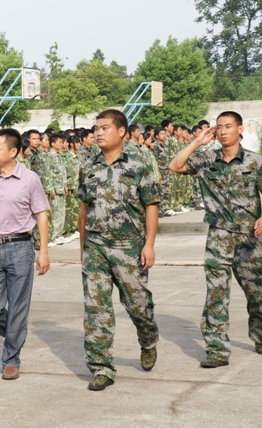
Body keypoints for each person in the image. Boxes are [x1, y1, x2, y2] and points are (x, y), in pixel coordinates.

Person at [169, 111, 262, 368]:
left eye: (228, 126)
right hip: (219, 237)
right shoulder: (206, 159)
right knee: (216, 295)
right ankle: (217, 349)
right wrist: (197, 142)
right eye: (218, 127)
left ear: (240, 129)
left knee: (258, 293)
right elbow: (174, 166)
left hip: (249, 239)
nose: (222, 131)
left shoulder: (255, 162)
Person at [78, 109, 160, 391]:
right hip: (96, 247)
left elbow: (151, 205)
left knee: (138, 305)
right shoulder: (88, 166)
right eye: (96, 128)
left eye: (104, 128)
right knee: (96, 309)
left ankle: (148, 339)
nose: (98, 133)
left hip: (130, 248)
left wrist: (149, 244)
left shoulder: (139, 164)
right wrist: (83, 247)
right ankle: (101, 367)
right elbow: (83, 208)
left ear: (122, 132)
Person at [0, 128, 50, 380]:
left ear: (13, 151)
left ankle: (11, 358)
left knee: (17, 307)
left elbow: (42, 215)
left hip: (21, 249)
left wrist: (44, 251)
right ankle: (14, 334)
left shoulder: (30, 179)